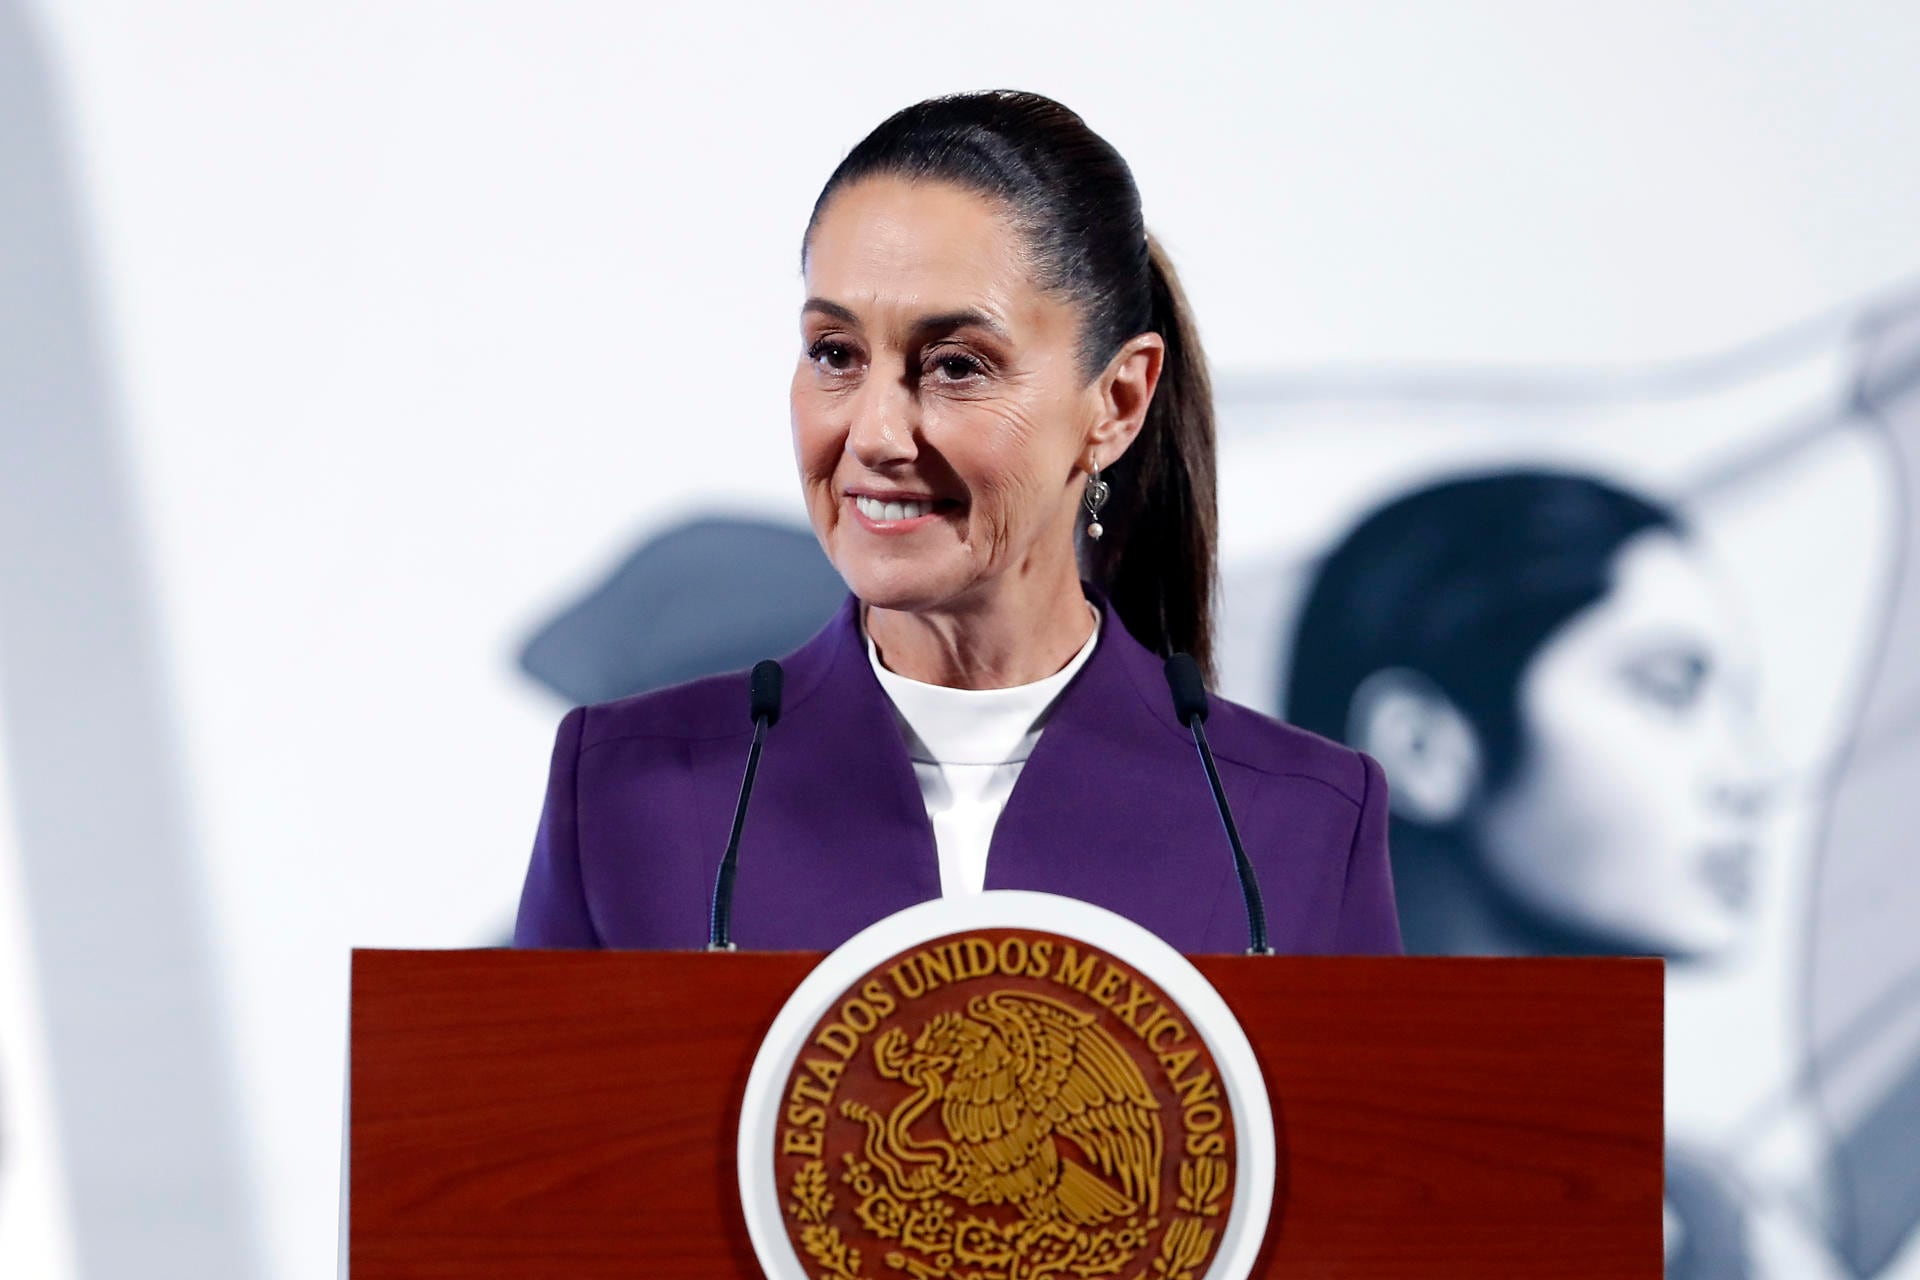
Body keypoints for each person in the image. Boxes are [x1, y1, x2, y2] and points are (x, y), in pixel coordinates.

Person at [512, 90, 1400, 955]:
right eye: (835, 354)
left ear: (1117, 402)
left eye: (956, 366)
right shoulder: (626, 792)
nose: (875, 433)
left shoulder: (1302, 822)